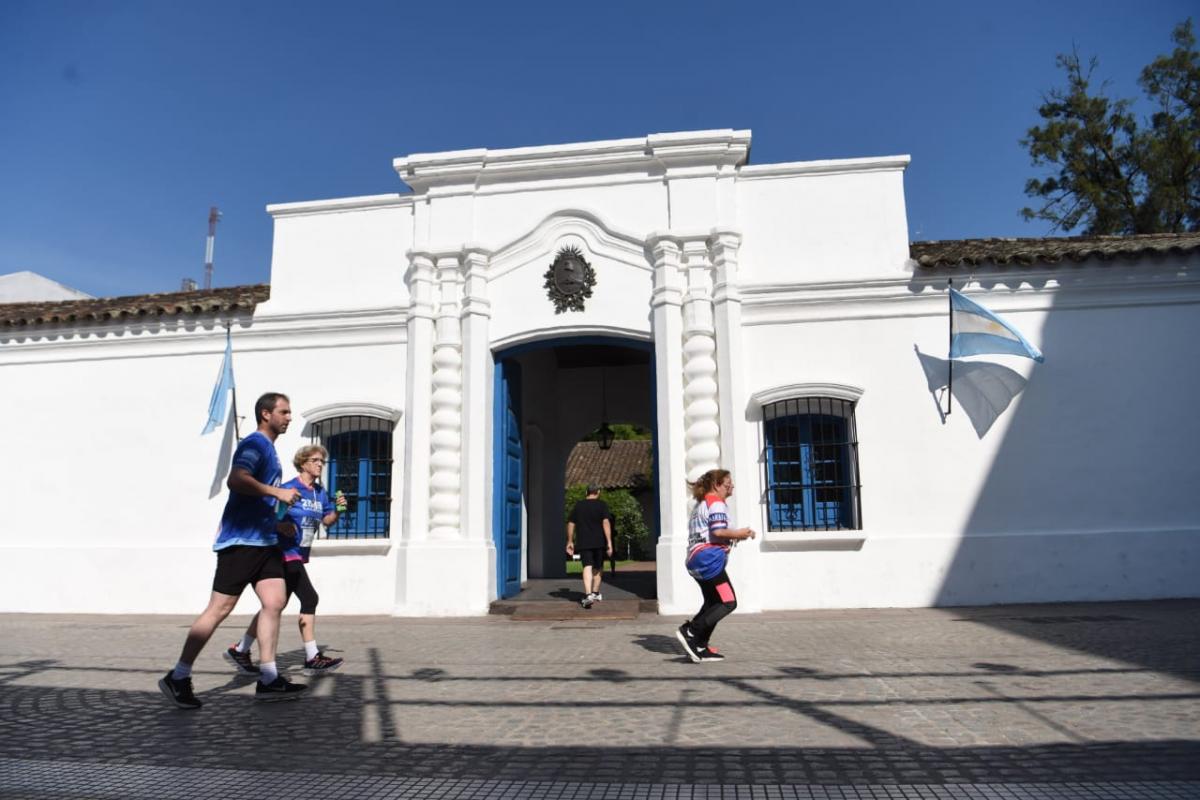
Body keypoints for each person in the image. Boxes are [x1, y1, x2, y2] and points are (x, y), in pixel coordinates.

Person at [158, 392, 308, 708]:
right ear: (266, 414)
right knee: (219, 609)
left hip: (265, 542)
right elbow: (236, 480)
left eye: (290, 412)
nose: (289, 417)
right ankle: (179, 675)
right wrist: (276, 492)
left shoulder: (269, 449)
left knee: (275, 601)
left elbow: (258, 497)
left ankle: (268, 679)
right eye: (284, 411)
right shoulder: (255, 444)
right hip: (241, 542)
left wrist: (276, 520)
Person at [225, 444, 344, 677]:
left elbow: (327, 521)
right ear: (303, 463)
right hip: (283, 551)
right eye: (316, 460)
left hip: (300, 553)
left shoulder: (319, 492)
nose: (320, 464)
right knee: (310, 598)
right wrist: (281, 524)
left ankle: (241, 648)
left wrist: (339, 510)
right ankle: (312, 657)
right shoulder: (289, 488)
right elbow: (269, 515)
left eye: (322, 461)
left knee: (273, 606)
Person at [675, 469, 755, 662]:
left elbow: (710, 533)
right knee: (728, 602)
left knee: (712, 602)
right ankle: (691, 631)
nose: (732, 486)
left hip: (697, 559)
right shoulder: (716, 503)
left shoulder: (702, 504)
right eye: (728, 482)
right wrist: (740, 533)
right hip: (708, 561)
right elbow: (718, 531)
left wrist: (734, 537)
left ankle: (700, 646)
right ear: (717, 485)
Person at [565, 484, 612, 609]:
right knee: (598, 566)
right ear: (598, 492)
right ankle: (595, 592)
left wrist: (570, 541)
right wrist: (609, 542)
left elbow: (570, 523)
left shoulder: (579, 505)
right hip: (599, 542)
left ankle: (588, 594)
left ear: (586, 492)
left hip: (584, 541)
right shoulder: (602, 505)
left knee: (587, 566)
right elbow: (606, 522)